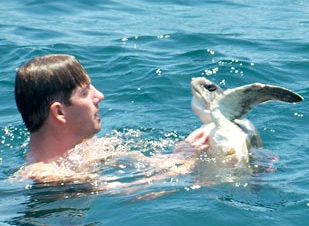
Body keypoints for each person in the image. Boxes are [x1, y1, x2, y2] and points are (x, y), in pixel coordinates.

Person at [13, 54, 209, 183]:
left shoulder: (88, 148)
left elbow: (147, 168)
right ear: (60, 113)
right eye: (84, 93)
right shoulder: (45, 176)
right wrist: (189, 164)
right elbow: (132, 193)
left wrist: (182, 152)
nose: (99, 96)